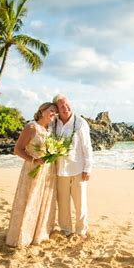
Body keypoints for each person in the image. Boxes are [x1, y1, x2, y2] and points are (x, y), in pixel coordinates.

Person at [5, 102, 58, 247]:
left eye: (55, 112)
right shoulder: (31, 127)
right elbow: (18, 149)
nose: (54, 113)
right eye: (51, 110)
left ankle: (38, 234)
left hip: (48, 172)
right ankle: (23, 235)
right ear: (42, 111)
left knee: (42, 202)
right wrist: (34, 160)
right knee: (30, 200)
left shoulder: (49, 130)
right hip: (33, 169)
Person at [52, 94, 93, 238]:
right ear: (56, 109)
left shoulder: (80, 123)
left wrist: (87, 168)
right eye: (61, 106)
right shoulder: (54, 123)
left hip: (78, 170)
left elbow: (87, 147)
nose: (66, 108)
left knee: (80, 203)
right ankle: (66, 230)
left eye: (67, 104)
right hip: (60, 170)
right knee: (63, 203)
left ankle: (81, 231)